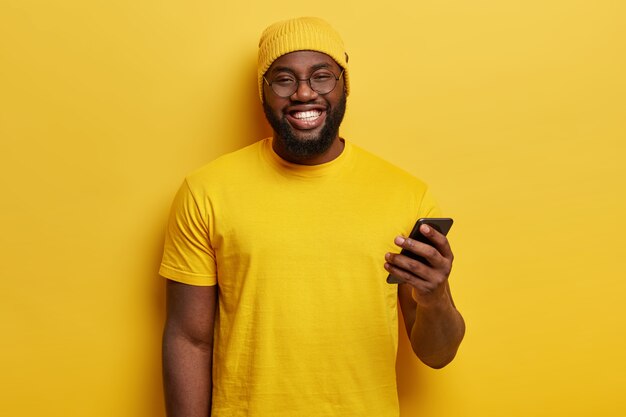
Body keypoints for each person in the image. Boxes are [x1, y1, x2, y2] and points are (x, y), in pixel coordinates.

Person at [160, 16, 465, 417]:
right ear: (263, 91)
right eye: (284, 79)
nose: (304, 93)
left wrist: (435, 297)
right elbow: (188, 338)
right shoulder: (206, 192)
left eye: (322, 77)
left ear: (343, 85)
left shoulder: (408, 196)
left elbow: (438, 355)